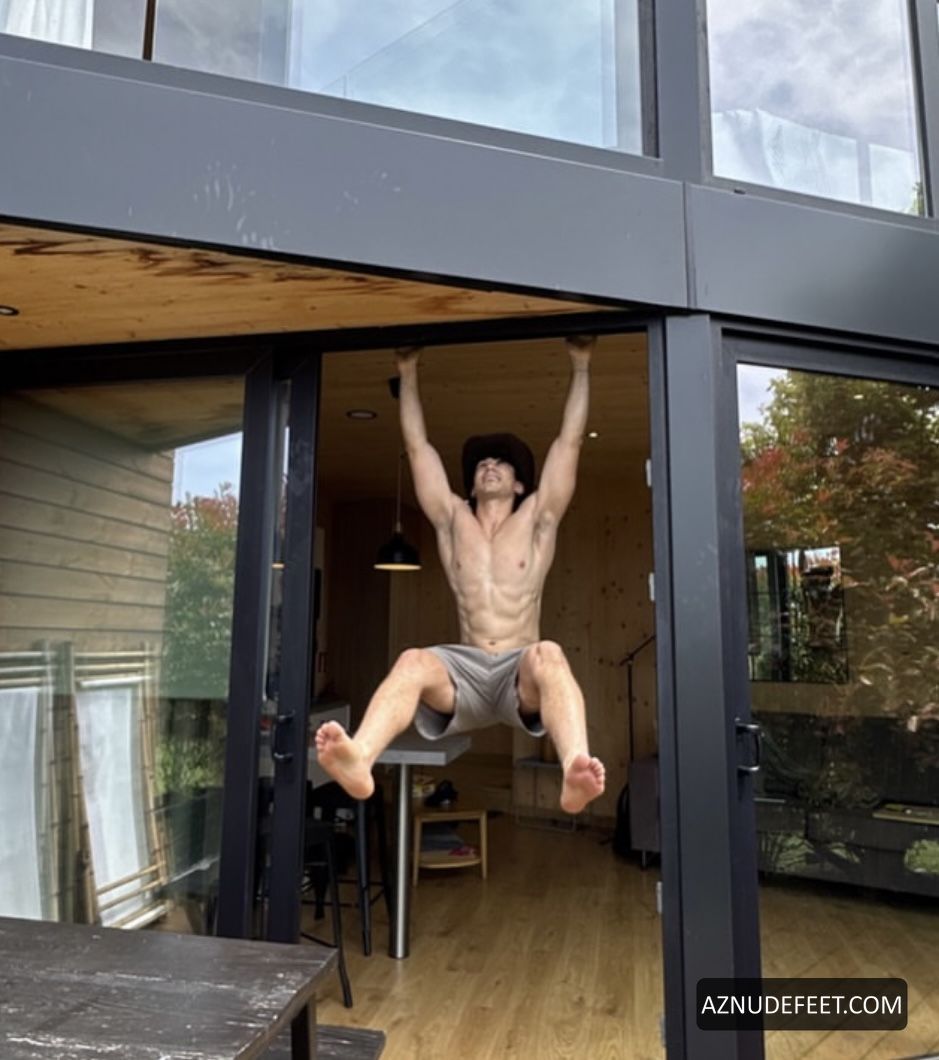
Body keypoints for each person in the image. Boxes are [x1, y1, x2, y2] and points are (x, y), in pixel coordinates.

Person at [316, 336, 605, 814]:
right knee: (412, 661)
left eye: (501, 463)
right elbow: (417, 447)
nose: (489, 467)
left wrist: (581, 365)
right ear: (470, 483)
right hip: (464, 671)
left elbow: (568, 442)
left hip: (517, 670)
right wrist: (408, 373)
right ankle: (360, 758)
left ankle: (574, 766)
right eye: (481, 465)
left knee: (549, 655)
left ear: (519, 484)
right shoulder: (452, 519)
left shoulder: (538, 518)